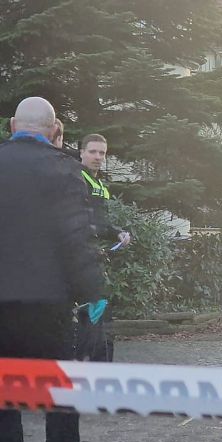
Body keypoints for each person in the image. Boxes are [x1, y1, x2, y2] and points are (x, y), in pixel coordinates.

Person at [0, 97, 105, 442]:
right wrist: (95, 292)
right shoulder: (64, 170)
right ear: (55, 130)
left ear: (12, 125)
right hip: (48, 301)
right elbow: (75, 240)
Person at [77, 133, 130, 362]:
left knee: (99, 319)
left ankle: (100, 369)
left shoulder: (99, 184)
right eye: (92, 152)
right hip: (79, 261)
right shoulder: (76, 180)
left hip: (95, 260)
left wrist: (118, 232)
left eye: (102, 153)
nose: (98, 157)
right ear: (81, 152)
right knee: (89, 320)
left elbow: (101, 221)